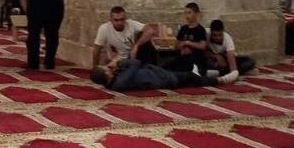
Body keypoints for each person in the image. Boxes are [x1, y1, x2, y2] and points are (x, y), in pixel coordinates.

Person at [15, 0, 64, 70]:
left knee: (34, 32)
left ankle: (33, 63)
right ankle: (50, 63)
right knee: (52, 33)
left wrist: (29, 14)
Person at [92, 57, 236, 91]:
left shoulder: (114, 80)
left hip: (156, 72)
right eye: (106, 68)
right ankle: (221, 80)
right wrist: (119, 63)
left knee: (180, 62)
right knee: (190, 77)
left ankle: (210, 73)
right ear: (106, 74)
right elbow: (135, 63)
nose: (108, 67)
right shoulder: (120, 82)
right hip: (163, 79)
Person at [171, 2, 209, 73]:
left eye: (189, 13)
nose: (186, 15)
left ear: (196, 14)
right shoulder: (183, 29)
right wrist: (182, 47)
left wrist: (188, 43)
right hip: (181, 59)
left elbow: (202, 46)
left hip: (194, 61)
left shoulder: (200, 29)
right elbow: (176, 45)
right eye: (185, 13)